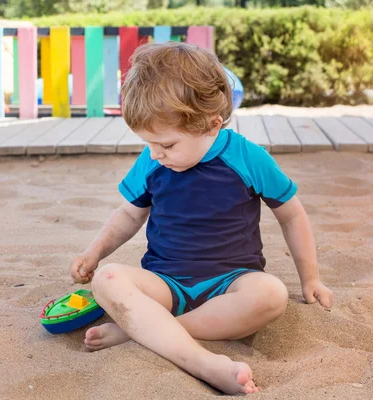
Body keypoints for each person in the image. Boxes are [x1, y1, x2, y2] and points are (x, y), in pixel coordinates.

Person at [69, 42, 333, 395]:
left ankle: (148, 330)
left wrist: (311, 278)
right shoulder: (152, 161)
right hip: (166, 284)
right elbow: (129, 214)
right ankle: (201, 360)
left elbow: (292, 215)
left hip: (231, 282)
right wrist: (95, 251)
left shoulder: (248, 158)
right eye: (148, 143)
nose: (156, 154)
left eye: (167, 145)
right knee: (107, 279)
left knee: (271, 294)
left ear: (211, 124)